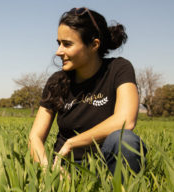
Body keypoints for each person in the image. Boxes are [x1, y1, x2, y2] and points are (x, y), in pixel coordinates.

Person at [28, 7, 147, 174]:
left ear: (94, 44)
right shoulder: (56, 81)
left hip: (106, 164)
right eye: (58, 43)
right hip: (67, 167)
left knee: (125, 140)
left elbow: (125, 121)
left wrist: (72, 142)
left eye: (67, 44)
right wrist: (49, 171)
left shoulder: (119, 69)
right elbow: (35, 137)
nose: (58, 51)